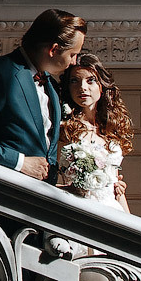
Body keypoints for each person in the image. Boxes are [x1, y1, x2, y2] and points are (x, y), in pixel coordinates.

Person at [0, 10, 87, 180]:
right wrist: (20, 163)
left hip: (42, 198)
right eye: (72, 54)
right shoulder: (0, 74)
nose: (74, 61)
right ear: (54, 49)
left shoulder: (50, 83)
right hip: (5, 193)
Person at [56, 52, 132, 212]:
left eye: (90, 80)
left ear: (102, 86)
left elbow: (116, 190)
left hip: (112, 209)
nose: (82, 87)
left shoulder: (111, 128)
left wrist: (131, 224)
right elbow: (46, 181)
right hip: (78, 209)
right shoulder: (63, 128)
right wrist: (70, 189)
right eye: (74, 81)